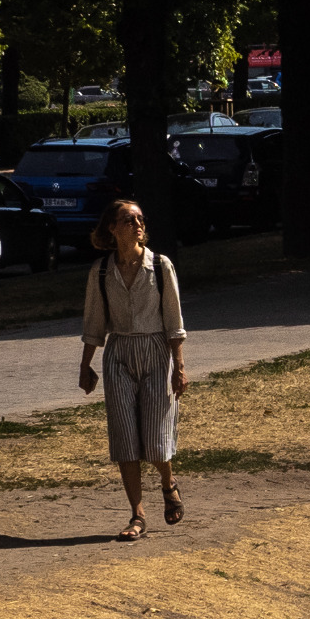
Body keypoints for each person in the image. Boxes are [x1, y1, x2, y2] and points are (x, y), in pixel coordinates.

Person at [78, 199, 188, 540]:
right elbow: (94, 322)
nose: (137, 223)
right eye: (129, 219)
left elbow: (174, 319)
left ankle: (168, 483)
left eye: (140, 218)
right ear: (113, 227)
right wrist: (86, 365)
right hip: (119, 354)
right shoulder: (100, 271)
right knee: (125, 439)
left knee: (155, 442)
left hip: (156, 352)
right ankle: (137, 516)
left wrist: (179, 367)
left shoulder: (160, 265)